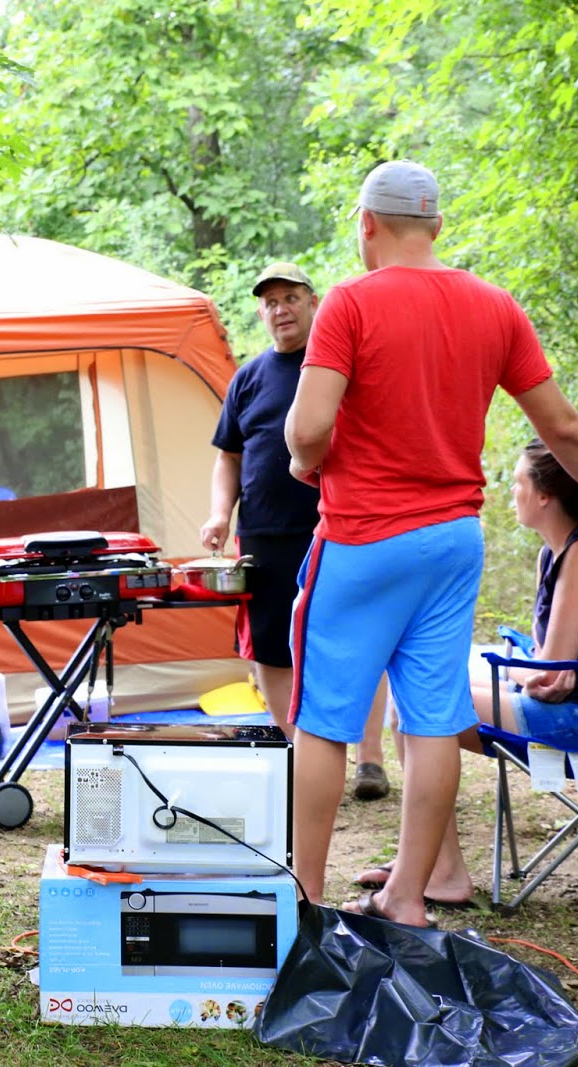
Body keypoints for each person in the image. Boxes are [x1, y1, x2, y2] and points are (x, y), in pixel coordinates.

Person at [284, 160, 578, 927]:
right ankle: (409, 896)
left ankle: (303, 900)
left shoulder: (349, 302)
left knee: (323, 717)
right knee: (433, 712)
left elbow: (307, 430)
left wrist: (305, 459)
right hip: (452, 540)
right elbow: (564, 428)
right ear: (437, 225)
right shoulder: (494, 306)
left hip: (364, 538)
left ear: (366, 224)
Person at [353, 438, 578, 908]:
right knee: (411, 695)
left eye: (518, 482)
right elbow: (547, 669)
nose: (511, 492)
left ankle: (442, 871)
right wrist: (530, 671)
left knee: (419, 704)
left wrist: (528, 671)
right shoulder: (555, 554)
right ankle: (432, 863)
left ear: (544, 496)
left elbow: (549, 676)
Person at [200, 261, 392, 800]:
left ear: (313, 303)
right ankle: (292, 756)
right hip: (263, 535)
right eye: (270, 302)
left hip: (340, 526)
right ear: (261, 313)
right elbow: (228, 458)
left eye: (290, 298)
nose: (280, 310)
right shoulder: (248, 378)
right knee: (270, 647)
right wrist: (220, 514)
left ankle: (370, 760)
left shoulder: (339, 365)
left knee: (359, 641)